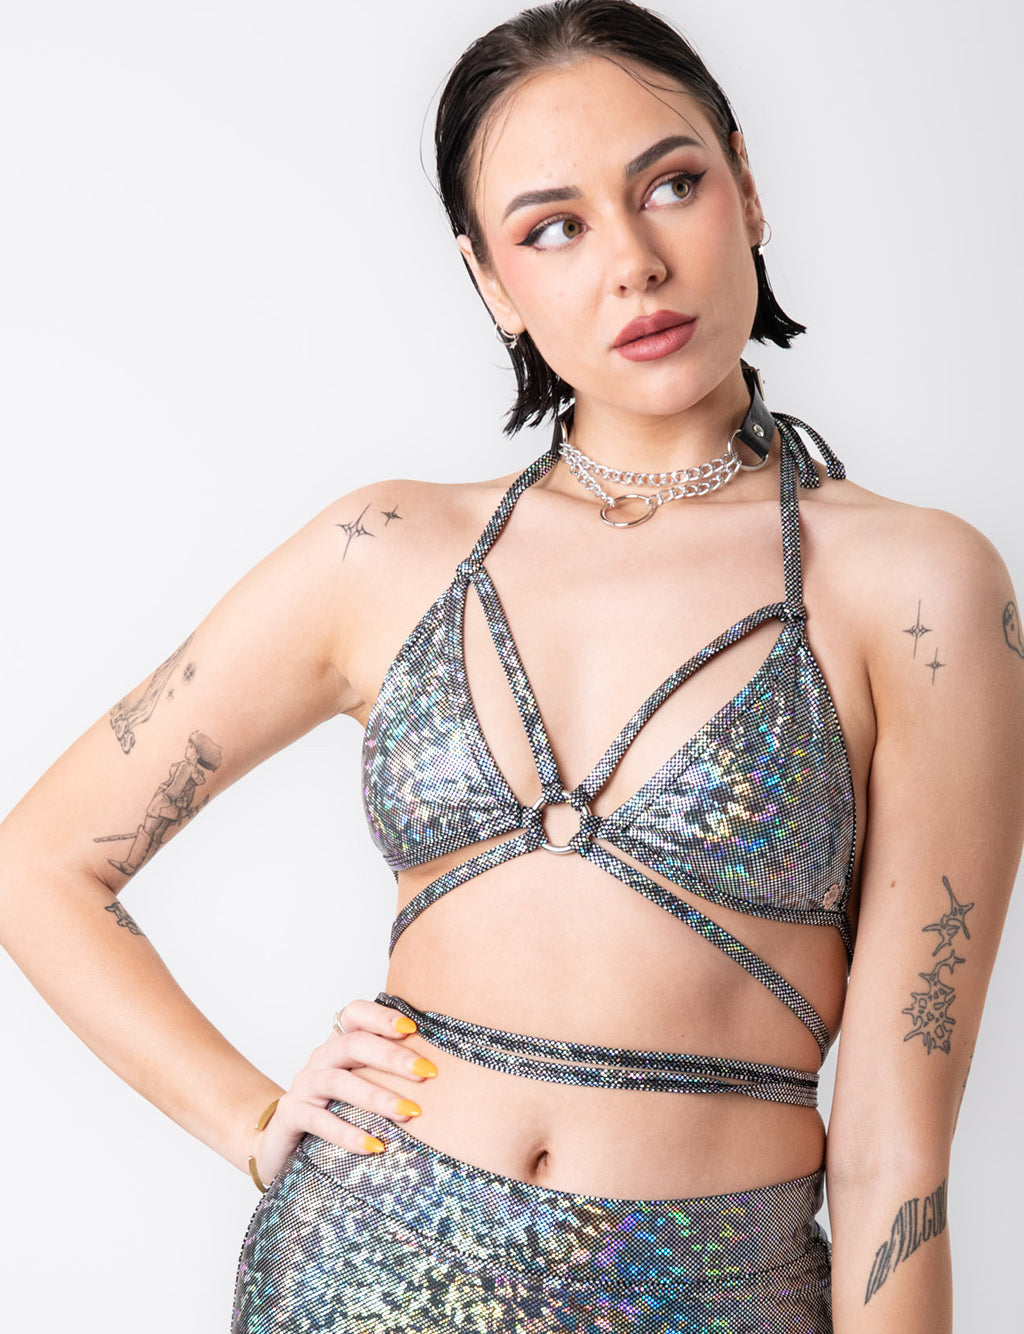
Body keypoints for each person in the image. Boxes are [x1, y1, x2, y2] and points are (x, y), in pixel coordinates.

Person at [1, 2, 1021, 1331]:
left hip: (714, 1293)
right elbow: (40, 863)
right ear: (489, 280)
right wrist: (249, 1118)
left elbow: (896, 1157)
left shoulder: (918, 589)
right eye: (553, 227)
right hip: (363, 1271)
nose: (635, 263)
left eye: (671, 184)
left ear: (747, 186)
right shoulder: (386, 551)